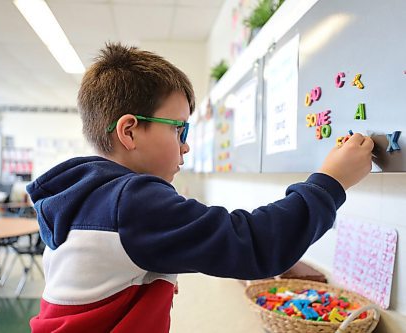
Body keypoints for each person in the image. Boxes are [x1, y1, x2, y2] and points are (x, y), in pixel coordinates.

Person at [26, 43, 374, 332]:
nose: (186, 146)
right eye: (179, 130)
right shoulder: (130, 202)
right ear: (129, 131)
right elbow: (254, 243)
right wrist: (331, 182)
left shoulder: (87, 196)